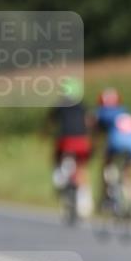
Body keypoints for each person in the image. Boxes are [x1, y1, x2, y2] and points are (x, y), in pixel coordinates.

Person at [47, 77, 93, 217]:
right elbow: (90, 122)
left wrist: (46, 133)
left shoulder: (60, 106)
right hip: (82, 142)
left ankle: (59, 179)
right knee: (81, 168)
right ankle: (84, 200)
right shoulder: (83, 106)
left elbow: (50, 122)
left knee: (56, 159)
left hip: (65, 141)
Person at [92, 88, 131, 210]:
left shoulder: (102, 112)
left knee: (107, 164)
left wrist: (95, 147)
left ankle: (108, 195)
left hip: (116, 143)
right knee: (127, 174)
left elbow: (96, 131)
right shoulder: (125, 110)